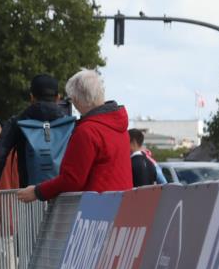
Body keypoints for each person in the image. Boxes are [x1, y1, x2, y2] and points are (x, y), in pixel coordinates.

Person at [19, 70, 133, 203]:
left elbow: (72, 180)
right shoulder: (120, 126)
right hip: (122, 205)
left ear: (77, 99)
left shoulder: (87, 131)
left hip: (97, 210)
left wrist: (37, 191)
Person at [0, 74, 71, 195]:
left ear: (32, 97)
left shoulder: (18, 122)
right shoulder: (69, 123)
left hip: (30, 195)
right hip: (65, 194)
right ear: (58, 97)